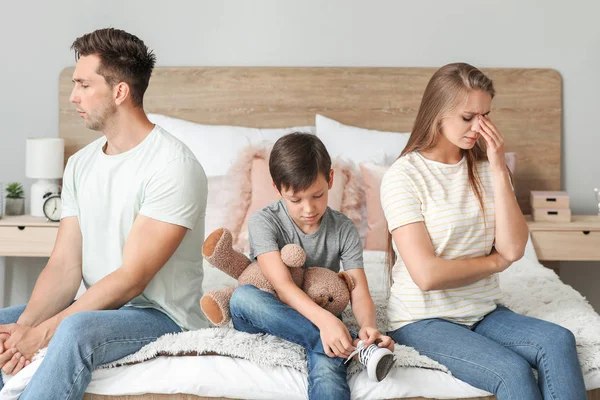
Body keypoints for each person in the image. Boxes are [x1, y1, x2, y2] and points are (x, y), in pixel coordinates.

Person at [0, 28, 208, 399]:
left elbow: (132, 278)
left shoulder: (173, 166)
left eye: (83, 84)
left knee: (74, 331)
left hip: (161, 316)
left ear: (119, 91)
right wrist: (26, 327)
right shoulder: (81, 164)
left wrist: (45, 332)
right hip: (94, 305)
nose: (72, 95)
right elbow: (65, 264)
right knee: (5, 323)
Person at [381, 62, 586, 399]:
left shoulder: (487, 167)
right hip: (422, 321)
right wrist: (494, 263)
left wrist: (497, 164)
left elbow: (513, 248)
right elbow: (426, 275)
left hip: (483, 311)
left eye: (485, 115)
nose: (479, 126)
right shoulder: (404, 176)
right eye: (467, 117)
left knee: (558, 340)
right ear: (438, 114)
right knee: (512, 370)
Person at [229, 132, 395, 400]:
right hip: (270, 309)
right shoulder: (264, 221)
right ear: (278, 189)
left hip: (322, 307)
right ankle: (356, 347)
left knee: (328, 373)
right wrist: (328, 323)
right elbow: (282, 286)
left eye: (317, 195)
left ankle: (351, 343)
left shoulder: (343, 227)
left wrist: (368, 326)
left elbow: (359, 290)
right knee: (243, 297)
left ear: (330, 179)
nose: (308, 208)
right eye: (295, 199)